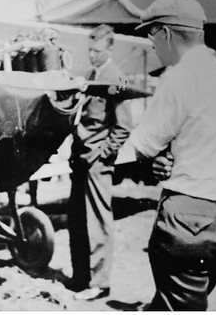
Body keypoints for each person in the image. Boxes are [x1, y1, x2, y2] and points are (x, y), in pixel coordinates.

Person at [126, 0, 216, 311]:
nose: (150, 41)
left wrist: (148, 159)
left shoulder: (178, 77)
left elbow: (141, 146)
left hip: (191, 220)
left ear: (166, 34)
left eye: (151, 33)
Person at [68, 24, 132, 300]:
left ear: (109, 48)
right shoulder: (93, 74)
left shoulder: (115, 77)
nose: (92, 55)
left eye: (96, 50)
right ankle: (81, 278)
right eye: (90, 50)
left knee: (97, 223)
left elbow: (124, 125)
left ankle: (100, 283)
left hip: (96, 162)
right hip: (81, 159)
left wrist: (105, 153)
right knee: (77, 222)